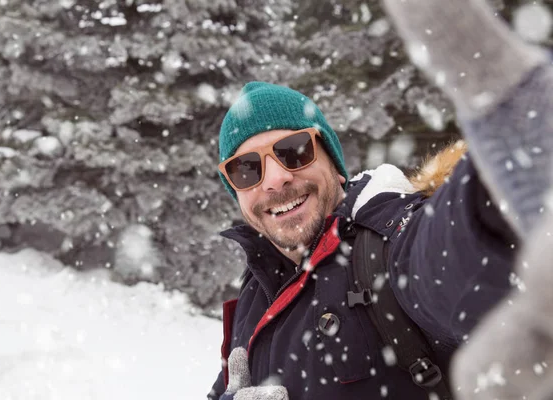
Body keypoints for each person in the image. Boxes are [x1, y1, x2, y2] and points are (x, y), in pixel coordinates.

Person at [207, 0, 553, 398]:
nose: (276, 178)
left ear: (335, 165)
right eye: (247, 169)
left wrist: (512, 160)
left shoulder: (386, 246)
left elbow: (455, 249)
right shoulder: (256, 284)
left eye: (294, 151)